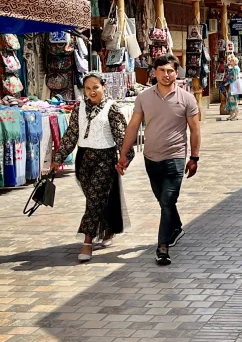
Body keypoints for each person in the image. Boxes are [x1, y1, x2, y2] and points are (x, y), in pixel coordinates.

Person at [118, 54, 201, 266]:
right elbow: (134, 126)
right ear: (154, 72)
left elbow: (195, 130)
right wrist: (123, 154)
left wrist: (194, 157)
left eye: (170, 71)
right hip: (151, 158)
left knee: (167, 200)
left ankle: (162, 247)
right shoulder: (144, 97)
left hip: (175, 158)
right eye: (162, 70)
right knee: (163, 201)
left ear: (176, 73)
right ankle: (176, 227)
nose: (166, 74)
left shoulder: (187, 99)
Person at [51, 73, 131, 264]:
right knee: (94, 199)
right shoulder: (78, 108)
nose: (92, 92)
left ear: (104, 86)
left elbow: (122, 136)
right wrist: (58, 158)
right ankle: (108, 227)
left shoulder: (113, 109)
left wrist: (124, 158)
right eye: (87, 88)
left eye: (95, 87)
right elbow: (71, 135)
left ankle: (87, 241)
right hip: (84, 160)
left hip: (105, 159)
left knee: (94, 200)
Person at [225, 55, 242, 121]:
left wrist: (228, 82)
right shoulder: (233, 68)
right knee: (230, 100)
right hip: (232, 86)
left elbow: (234, 78)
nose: (230, 62)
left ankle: (236, 115)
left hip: (234, 86)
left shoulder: (235, 68)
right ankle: (232, 114)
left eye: (232, 61)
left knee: (234, 101)